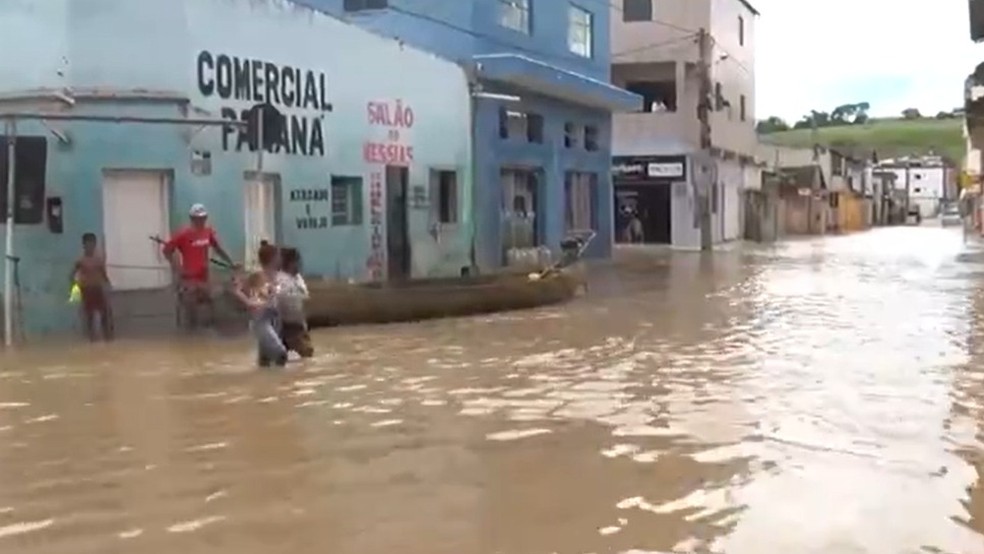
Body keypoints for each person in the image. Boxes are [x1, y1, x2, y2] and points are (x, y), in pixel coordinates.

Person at [161, 204, 237, 330]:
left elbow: (218, 248)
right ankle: (189, 338)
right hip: (188, 279)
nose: (201, 221)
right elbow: (167, 250)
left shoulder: (208, 232)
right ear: (192, 218)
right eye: (197, 218)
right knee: (191, 312)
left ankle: (205, 338)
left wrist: (231, 263)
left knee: (211, 307)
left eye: (203, 218)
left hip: (204, 278)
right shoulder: (183, 234)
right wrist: (177, 268)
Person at [234, 243, 287, 368]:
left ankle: (267, 385)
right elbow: (237, 290)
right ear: (273, 258)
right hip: (261, 320)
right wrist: (249, 302)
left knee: (265, 361)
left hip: (275, 319)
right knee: (281, 354)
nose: (280, 258)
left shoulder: (278, 276)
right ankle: (281, 383)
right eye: (278, 255)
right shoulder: (257, 276)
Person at [70, 233, 114, 341]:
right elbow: (72, 275)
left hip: (97, 289)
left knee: (104, 313)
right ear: (84, 245)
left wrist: (108, 284)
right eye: (88, 244)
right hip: (86, 290)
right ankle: (91, 338)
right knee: (90, 315)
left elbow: (103, 274)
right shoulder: (80, 261)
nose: (90, 246)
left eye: (92, 244)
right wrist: (76, 288)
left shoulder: (98, 260)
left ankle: (108, 337)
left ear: (95, 245)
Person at [276, 247, 313, 359]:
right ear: (290, 263)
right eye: (297, 261)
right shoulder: (279, 279)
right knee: (305, 354)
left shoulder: (297, 278)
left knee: (304, 355)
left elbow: (305, 297)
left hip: (299, 325)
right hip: (286, 326)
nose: (300, 264)